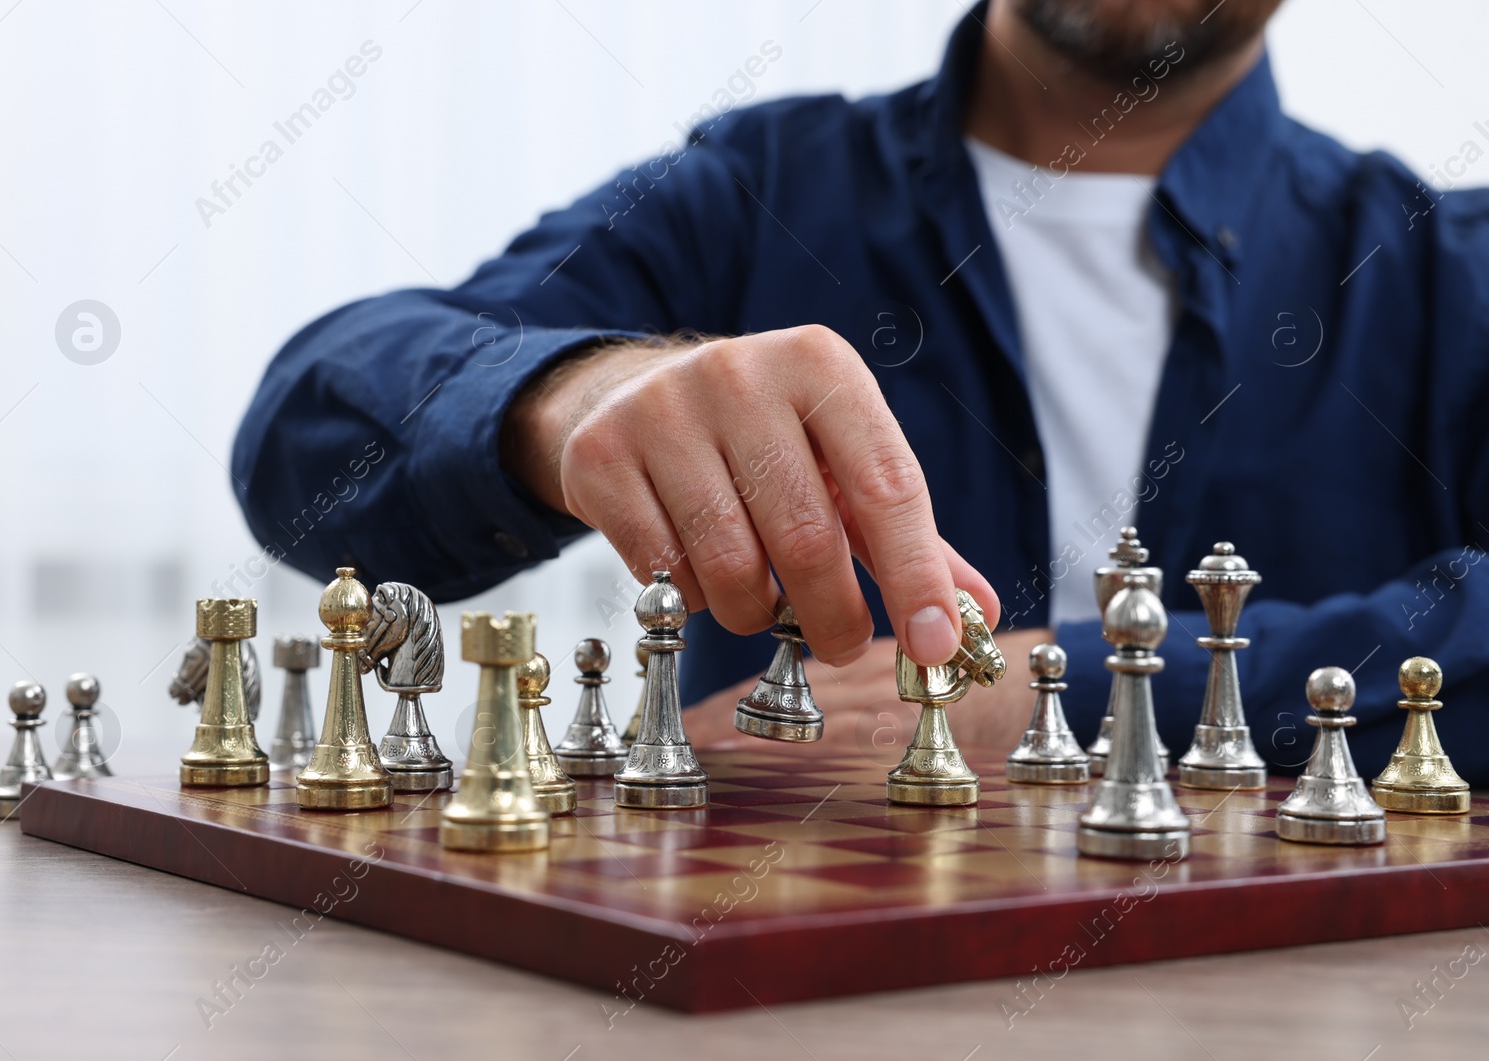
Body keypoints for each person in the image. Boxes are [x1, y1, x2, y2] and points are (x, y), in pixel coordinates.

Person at [232, 0, 1489, 781]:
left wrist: (1070, 694)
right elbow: (307, 437)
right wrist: (564, 391)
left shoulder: (1447, 264)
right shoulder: (756, 186)